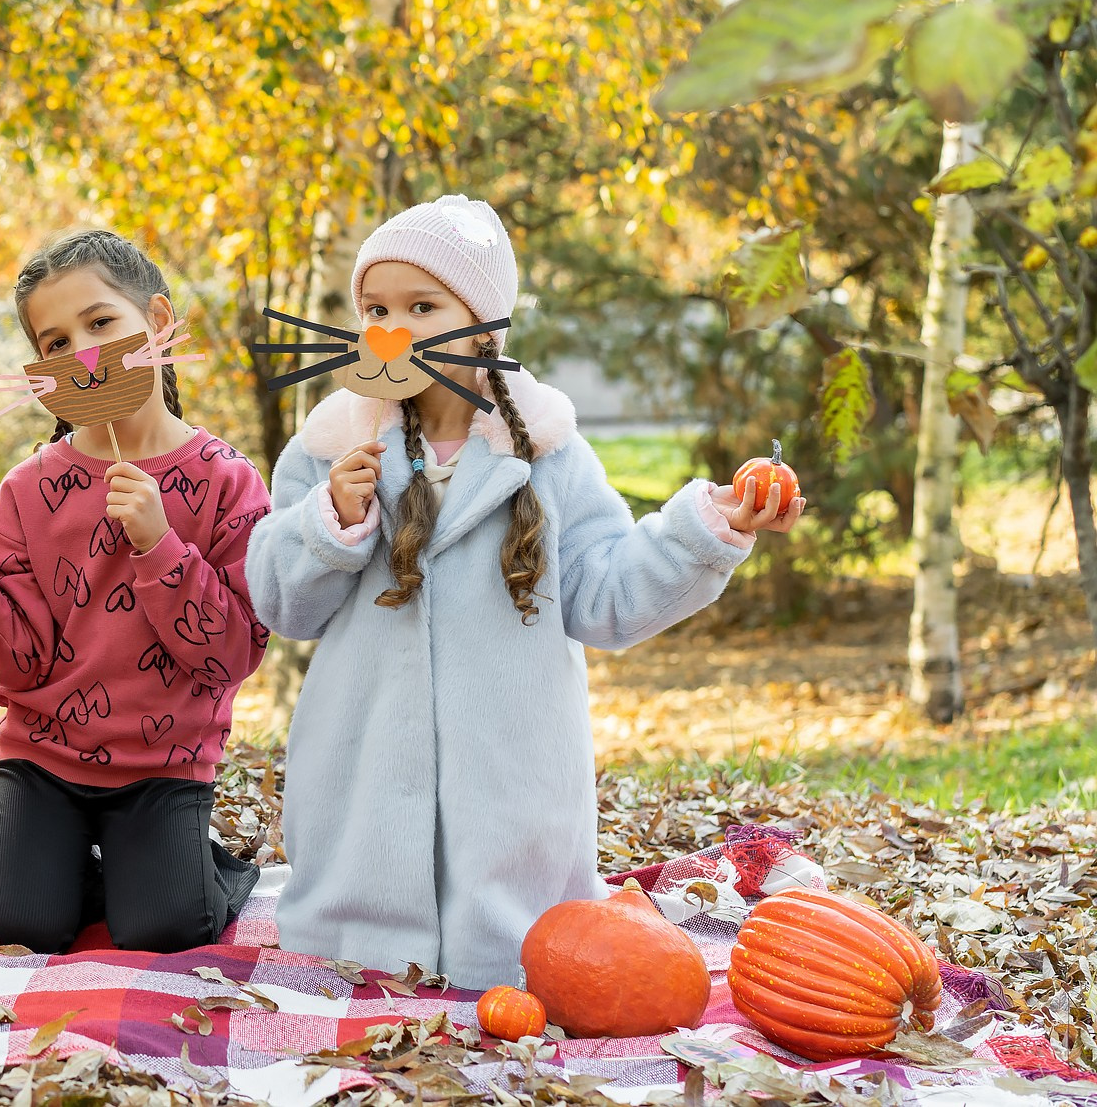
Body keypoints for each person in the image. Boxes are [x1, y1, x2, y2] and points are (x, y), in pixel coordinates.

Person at [246, 196, 803, 988]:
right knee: (357, 964)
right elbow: (282, 605)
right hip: (357, 809)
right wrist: (328, 517)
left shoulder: (548, 454)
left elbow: (608, 594)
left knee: (519, 952)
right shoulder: (333, 446)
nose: (389, 327)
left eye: (421, 306)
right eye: (374, 308)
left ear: (484, 328)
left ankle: (494, 936)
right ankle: (361, 928)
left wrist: (705, 527)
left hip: (515, 813)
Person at [0, 230, 271, 952]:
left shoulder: (228, 480)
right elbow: (20, 658)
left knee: (162, 927)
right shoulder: (27, 490)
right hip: (44, 758)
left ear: (157, 325)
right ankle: (83, 868)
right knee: (22, 926)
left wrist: (159, 543)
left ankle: (191, 872)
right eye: (55, 341)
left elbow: (231, 654)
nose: (82, 354)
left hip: (165, 762)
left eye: (100, 323)